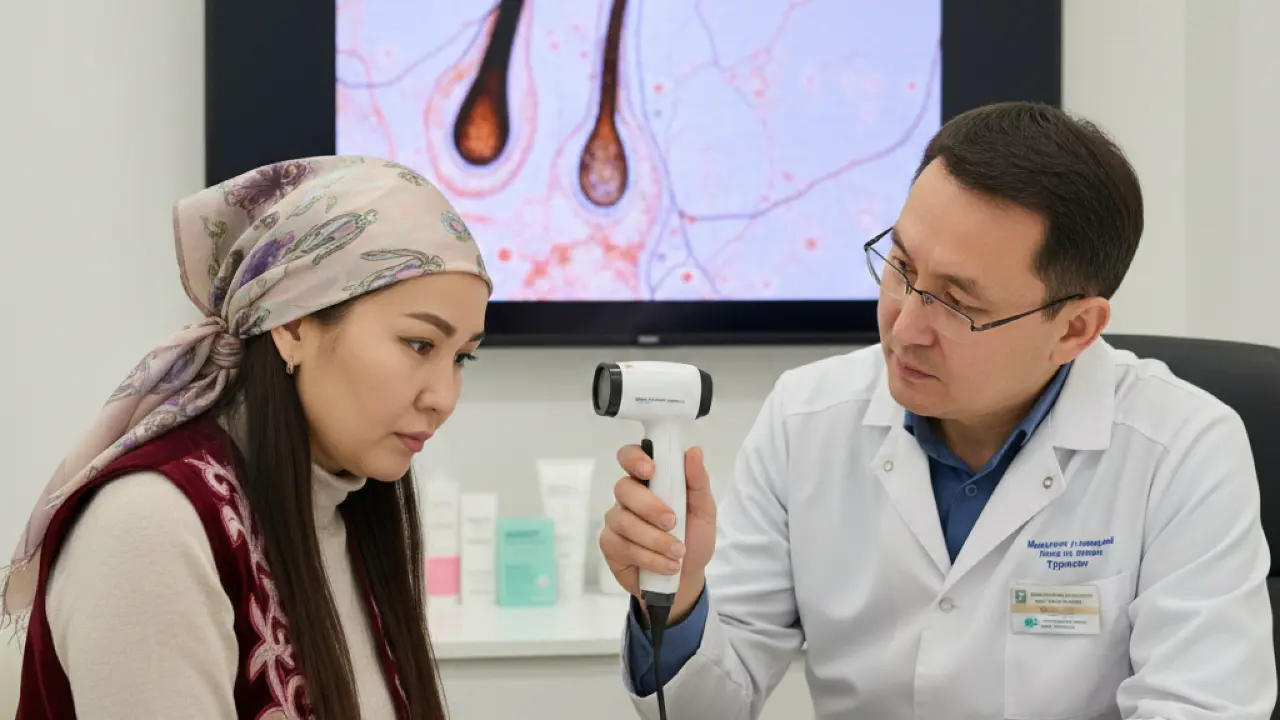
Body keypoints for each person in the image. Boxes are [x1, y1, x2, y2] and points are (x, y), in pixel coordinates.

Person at [600, 101, 1277, 719]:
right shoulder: (805, 418)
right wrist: (679, 601)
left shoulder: (1184, 450)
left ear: (1074, 329)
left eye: (958, 303)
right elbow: (705, 709)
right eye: (901, 267)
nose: (903, 328)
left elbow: (1202, 708)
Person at [2, 156, 491, 719]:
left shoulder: (347, 509)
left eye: (462, 357)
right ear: (293, 325)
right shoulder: (150, 527)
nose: (444, 397)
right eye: (419, 344)